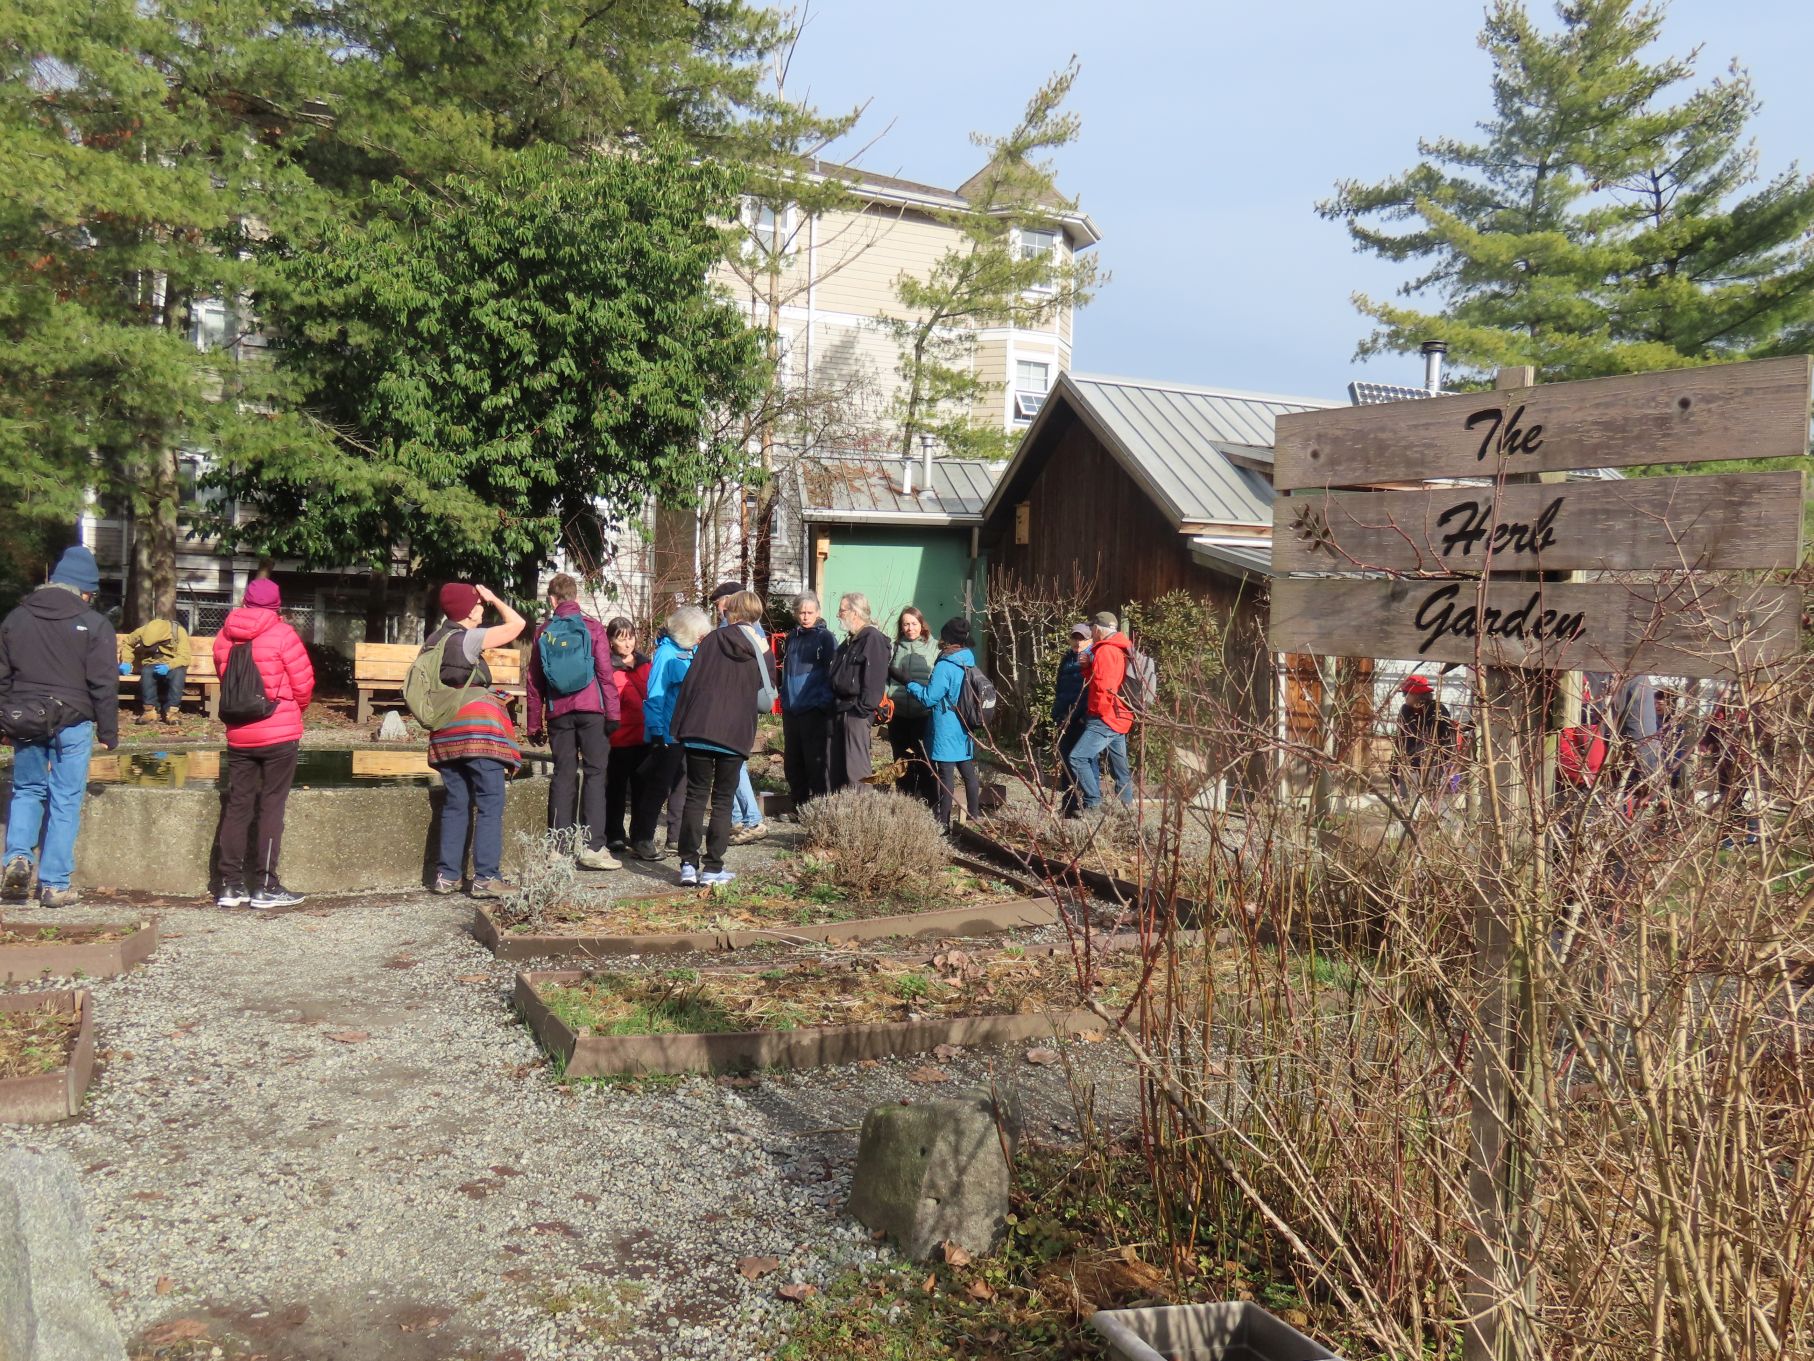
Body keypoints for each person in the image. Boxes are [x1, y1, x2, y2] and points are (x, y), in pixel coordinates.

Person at [0, 546, 118, 908]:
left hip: (25, 717)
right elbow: (103, 683)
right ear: (85, 590)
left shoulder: (16, 618)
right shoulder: (95, 624)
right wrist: (108, 732)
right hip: (73, 719)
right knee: (66, 798)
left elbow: (2, 677)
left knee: (27, 789)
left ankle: (17, 859)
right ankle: (54, 885)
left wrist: (4, 721)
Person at [211, 578, 316, 908]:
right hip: (279, 732)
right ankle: (265, 886)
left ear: (245, 601)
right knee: (272, 805)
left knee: (238, 805)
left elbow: (225, 678)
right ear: (277, 606)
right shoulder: (283, 634)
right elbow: (303, 683)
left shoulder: (224, 635)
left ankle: (229, 885)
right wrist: (293, 710)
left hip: (239, 732)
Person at [423, 582, 525, 898]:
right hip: (477, 732)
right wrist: (494, 598)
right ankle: (486, 877)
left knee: (456, 802)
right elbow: (517, 625)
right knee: (491, 801)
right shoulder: (467, 638)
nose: (482, 607)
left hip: (445, 731)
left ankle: (447, 876)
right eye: (478, 603)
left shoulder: (433, 641)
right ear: (468, 611)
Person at [669, 591, 776, 886]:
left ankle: (688, 865)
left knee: (695, 796)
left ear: (732, 611)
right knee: (723, 800)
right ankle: (713, 869)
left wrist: (678, 726)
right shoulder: (761, 646)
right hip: (735, 732)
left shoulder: (712, 639)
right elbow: (767, 691)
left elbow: (691, 682)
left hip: (699, 728)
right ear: (756, 614)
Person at [525, 574, 622, 871]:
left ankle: (558, 849)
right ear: (576, 597)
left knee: (563, 774)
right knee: (595, 774)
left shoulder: (543, 632)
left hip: (559, 713)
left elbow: (534, 681)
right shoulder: (592, 628)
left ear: (552, 600)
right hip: (592, 710)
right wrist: (613, 714)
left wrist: (533, 724)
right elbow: (605, 674)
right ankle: (593, 847)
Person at [629, 605, 710, 861]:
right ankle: (642, 838)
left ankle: (676, 837)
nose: (701, 639)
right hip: (668, 732)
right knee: (659, 787)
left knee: (681, 786)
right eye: (699, 634)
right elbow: (655, 695)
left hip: (687, 731)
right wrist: (656, 732)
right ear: (687, 632)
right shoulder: (666, 654)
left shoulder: (692, 651)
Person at [905, 617, 982, 830]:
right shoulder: (968, 659)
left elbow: (929, 698)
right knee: (968, 774)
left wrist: (910, 684)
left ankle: (944, 823)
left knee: (945, 776)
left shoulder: (945, 665)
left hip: (946, 727)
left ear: (947, 638)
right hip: (964, 725)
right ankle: (974, 818)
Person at [1066, 611, 1135, 813]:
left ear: (1097, 629)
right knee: (1120, 769)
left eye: (1092, 628)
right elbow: (1099, 680)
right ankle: (1126, 811)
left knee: (1077, 758)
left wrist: (1096, 715)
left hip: (1106, 718)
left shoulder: (1105, 651)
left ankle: (1093, 804)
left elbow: (1104, 687)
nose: (1091, 632)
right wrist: (1087, 668)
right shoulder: (1120, 648)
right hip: (1121, 715)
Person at [828, 592, 890, 791]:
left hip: (856, 712)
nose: (838, 615)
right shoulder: (850, 640)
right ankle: (843, 808)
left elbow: (875, 678)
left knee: (857, 772)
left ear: (855, 613)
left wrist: (863, 709)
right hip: (843, 709)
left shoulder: (872, 638)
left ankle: (863, 808)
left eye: (842, 610)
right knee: (839, 770)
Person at [779, 592, 837, 806]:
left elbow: (833, 673)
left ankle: (820, 808)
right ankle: (799, 807)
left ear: (818, 612)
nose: (805, 616)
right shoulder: (792, 637)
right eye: (802, 612)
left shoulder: (826, 638)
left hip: (813, 710)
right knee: (793, 763)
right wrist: (785, 699)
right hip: (791, 710)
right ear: (796, 613)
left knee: (815, 763)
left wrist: (822, 703)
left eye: (810, 612)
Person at [601, 617, 650, 853]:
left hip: (644, 735)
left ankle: (640, 835)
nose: (627, 643)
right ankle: (614, 833)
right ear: (610, 641)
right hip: (618, 737)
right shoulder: (606, 666)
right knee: (616, 789)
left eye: (630, 637)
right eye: (621, 639)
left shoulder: (645, 663)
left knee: (642, 789)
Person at [887, 606, 938, 805]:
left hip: (923, 714)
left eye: (914, 624)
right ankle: (905, 802)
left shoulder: (933, 647)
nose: (910, 628)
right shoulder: (895, 648)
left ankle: (929, 802)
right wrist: (887, 697)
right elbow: (885, 677)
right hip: (898, 714)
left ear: (921, 624)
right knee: (901, 761)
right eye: (906, 624)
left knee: (924, 761)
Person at [118, 610, 191, 725]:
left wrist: (168, 666)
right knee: (147, 673)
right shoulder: (142, 631)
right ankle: (149, 711)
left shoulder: (179, 631)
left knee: (178, 674)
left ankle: (172, 712)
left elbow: (185, 657)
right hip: (151, 662)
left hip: (173, 663)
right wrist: (126, 661)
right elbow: (128, 643)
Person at [1391, 675, 1456, 802]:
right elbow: (1399, 739)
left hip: (1435, 761)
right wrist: (1394, 766)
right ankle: (1408, 813)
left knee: (1434, 799)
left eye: (1406, 693)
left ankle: (1436, 812)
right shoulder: (1405, 711)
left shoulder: (1437, 710)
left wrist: (1444, 763)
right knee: (1407, 799)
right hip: (1411, 763)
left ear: (1417, 695)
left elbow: (1447, 739)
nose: (1404, 697)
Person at [1052, 622, 1092, 816]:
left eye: (1082, 639)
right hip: (1064, 717)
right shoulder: (1067, 659)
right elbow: (1059, 688)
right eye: (1075, 638)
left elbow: (1091, 691)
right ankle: (1069, 804)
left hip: (1082, 720)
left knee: (1084, 762)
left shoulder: (1091, 659)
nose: (1077, 642)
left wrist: (1083, 716)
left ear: (1089, 640)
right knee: (1066, 762)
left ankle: (1087, 805)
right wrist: (1057, 713)